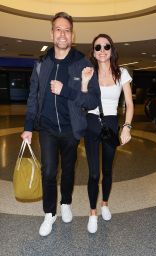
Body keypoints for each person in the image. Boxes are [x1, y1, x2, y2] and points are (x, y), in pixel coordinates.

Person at [21, 12, 100, 237]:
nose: (62, 34)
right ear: (51, 33)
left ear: (72, 35)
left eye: (66, 30)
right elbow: (33, 96)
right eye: (58, 29)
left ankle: (65, 202)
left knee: (67, 170)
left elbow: (92, 100)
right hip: (46, 128)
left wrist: (66, 91)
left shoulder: (82, 63)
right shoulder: (41, 64)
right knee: (48, 171)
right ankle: (49, 213)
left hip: (70, 129)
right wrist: (28, 127)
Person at [84, 34, 134, 233]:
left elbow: (129, 104)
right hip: (91, 122)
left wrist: (127, 126)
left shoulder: (122, 73)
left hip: (111, 123)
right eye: (98, 47)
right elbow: (81, 100)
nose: (102, 50)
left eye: (106, 46)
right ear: (93, 52)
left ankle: (105, 203)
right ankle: (93, 212)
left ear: (112, 50)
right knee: (94, 173)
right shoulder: (88, 72)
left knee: (108, 170)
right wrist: (84, 82)